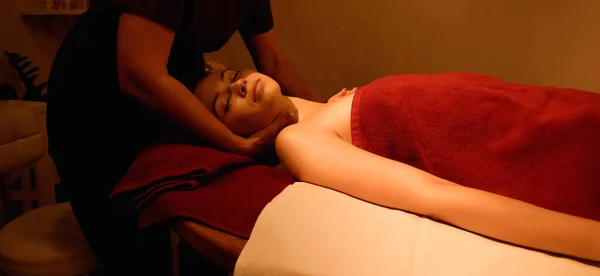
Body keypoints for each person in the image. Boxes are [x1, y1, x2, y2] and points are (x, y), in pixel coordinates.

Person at [46, 0, 323, 274]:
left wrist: (325, 116)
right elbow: (139, 75)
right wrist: (238, 143)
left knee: (190, 230)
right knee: (134, 256)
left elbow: (274, 61)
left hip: (173, 108)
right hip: (95, 111)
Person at [194, 69, 600, 262]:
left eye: (231, 75)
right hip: (521, 144)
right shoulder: (296, 141)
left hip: (529, 108)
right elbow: (436, 198)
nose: (237, 85)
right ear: (227, 135)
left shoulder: (326, 108)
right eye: (225, 102)